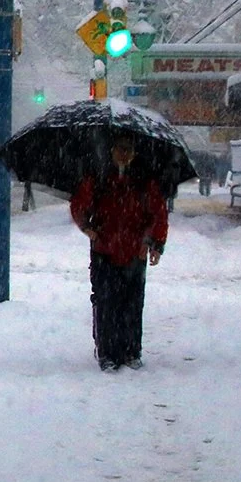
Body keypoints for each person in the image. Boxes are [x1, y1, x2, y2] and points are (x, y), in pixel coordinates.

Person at [70, 132, 169, 372]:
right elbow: (79, 204)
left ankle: (131, 351)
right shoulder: (99, 177)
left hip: (135, 252)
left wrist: (155, 244)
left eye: (128, 149)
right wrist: (87, 228)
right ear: (112, 151)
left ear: (134, 154)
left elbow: (158, 213)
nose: (123, 154)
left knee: (132, 304)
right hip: (105, 251)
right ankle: (107, 353)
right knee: (106, 303)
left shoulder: (144, 181)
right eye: (119, 149)